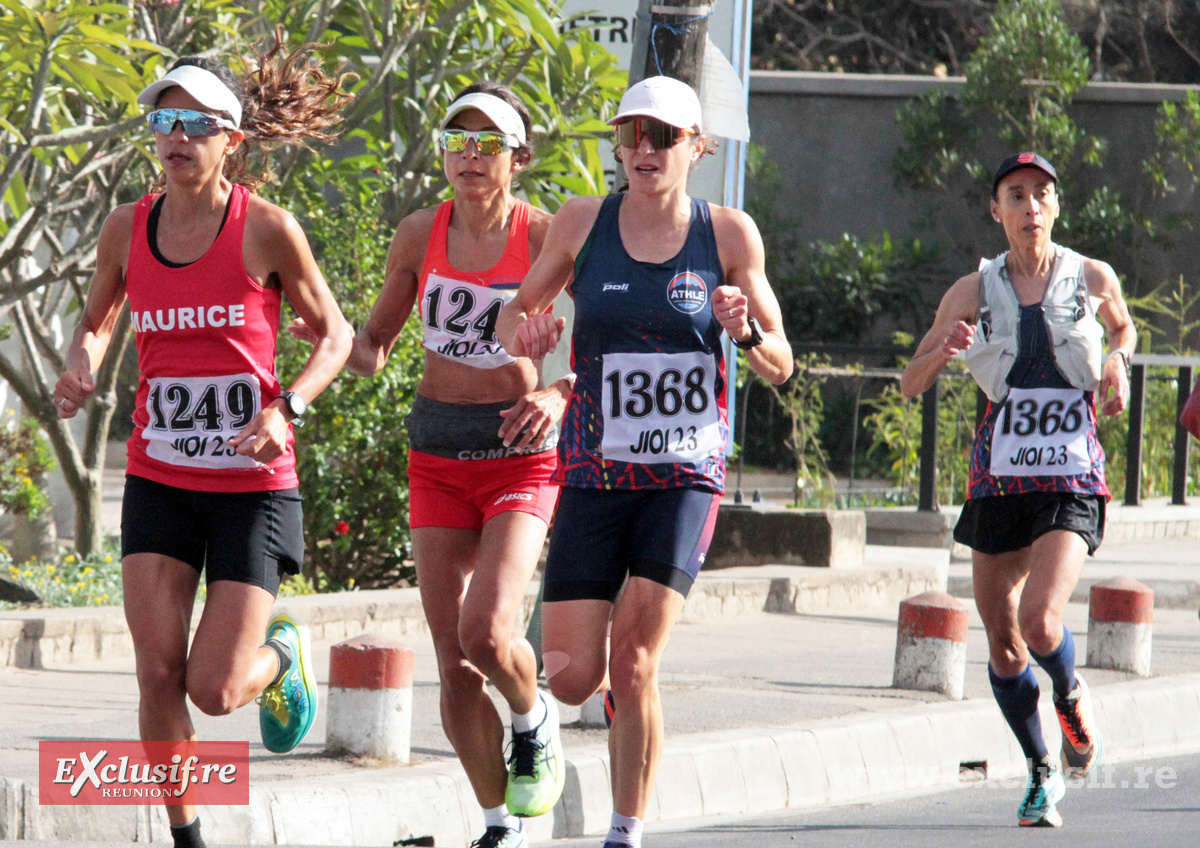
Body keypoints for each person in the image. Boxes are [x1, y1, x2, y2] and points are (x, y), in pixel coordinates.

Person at [53, 37, 353, 848]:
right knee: (155, 673)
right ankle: (186, 837)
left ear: (232, 140)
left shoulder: (267, 229)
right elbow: (96, 321)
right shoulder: (127, 227)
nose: (175, 136)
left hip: (253, 487)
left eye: (194, 123)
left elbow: (335, 335)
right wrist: (81, 363)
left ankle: (282, 660)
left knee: (215, 689)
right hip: (160, 477)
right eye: (164, 121)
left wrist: (286, 406)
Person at [496, 76, 793, 848]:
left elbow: (783, 362)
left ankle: (625, 832)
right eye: (631, 134)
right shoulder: (580, 222)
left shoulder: (728, 234)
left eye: (663, 137)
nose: (643, 150)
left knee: (633, 662)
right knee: (568, 674)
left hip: (684, 475)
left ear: (697, 147)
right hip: (595, 471)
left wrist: (748, 332)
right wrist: (524, 335)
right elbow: (514, 312)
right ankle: (552, 742)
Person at [291, 82, 570, 848]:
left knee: (487, 632)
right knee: (454, 666)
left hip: (518, 450)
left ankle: (534, 717)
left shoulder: (547, 235)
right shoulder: (420, 232)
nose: (470, 156)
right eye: (458, 139)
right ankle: (497, 826)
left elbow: (607, 341)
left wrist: (563, 391)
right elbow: (375, 348)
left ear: (519, 157)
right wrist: (320, 330)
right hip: (437, 451)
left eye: (488, 143)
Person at [900, 152, 1135, 827]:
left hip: (1070, 477)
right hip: (998, 481)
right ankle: (1040, 772)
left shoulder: (1090, 278)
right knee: (1003, 639)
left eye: (1041, 194)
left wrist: (1117, 362)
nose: (1030, 206)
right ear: (996, 210)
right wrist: (941, 352)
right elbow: (910, 382)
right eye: (1016, 195)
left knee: (1040, 620)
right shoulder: (970, 291)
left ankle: (1068, 689)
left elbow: (1124, 326)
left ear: (1056, 207)